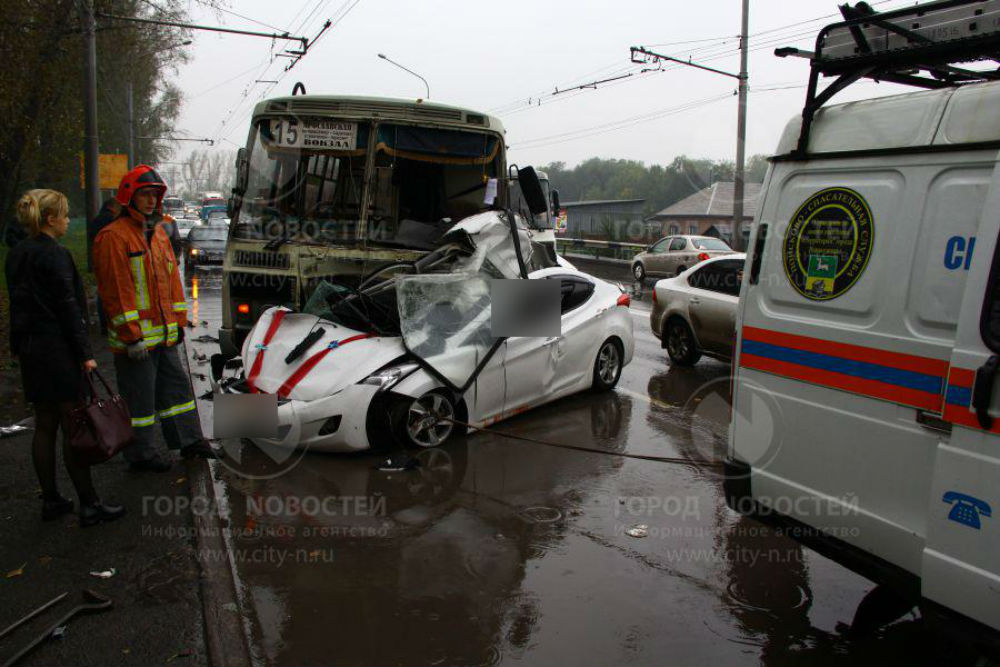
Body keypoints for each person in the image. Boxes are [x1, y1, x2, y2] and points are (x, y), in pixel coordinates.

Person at [5, 189, 125, 526]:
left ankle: (52, 500)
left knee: (44, 425)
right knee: (75, 426)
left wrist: (18, 346)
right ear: (50, 219)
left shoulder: (17, 254)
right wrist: (85, 354)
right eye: (65, 214)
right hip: (58, 350)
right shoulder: (56, 255)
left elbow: (18, 304)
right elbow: (69, 308)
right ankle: (89, 504)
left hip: (31, 350)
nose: (68, 220)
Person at [93, 165, 218, 472]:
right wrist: (131, 336)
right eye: (144, 195)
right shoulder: (113, 237)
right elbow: (116, 292)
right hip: (136, 341)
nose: (151, 201)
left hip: (164, 334)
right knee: (141, 403)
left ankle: (189, 441)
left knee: (178, 393)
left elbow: (173, 284)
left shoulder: (159, 234)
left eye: (154, 195)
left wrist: (178, 322)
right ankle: (140, 455)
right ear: (128, 197)